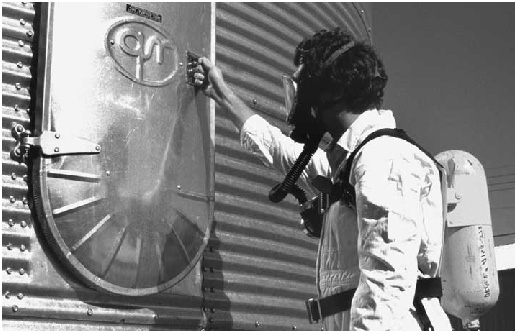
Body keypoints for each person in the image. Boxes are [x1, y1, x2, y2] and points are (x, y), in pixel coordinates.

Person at [194, 28, 452, 331]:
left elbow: (386, 290)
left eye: (302, 85)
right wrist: (220, 92)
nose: (299, 99)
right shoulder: (351, 161)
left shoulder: (383, 157)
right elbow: (281, 152)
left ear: (333, 91)